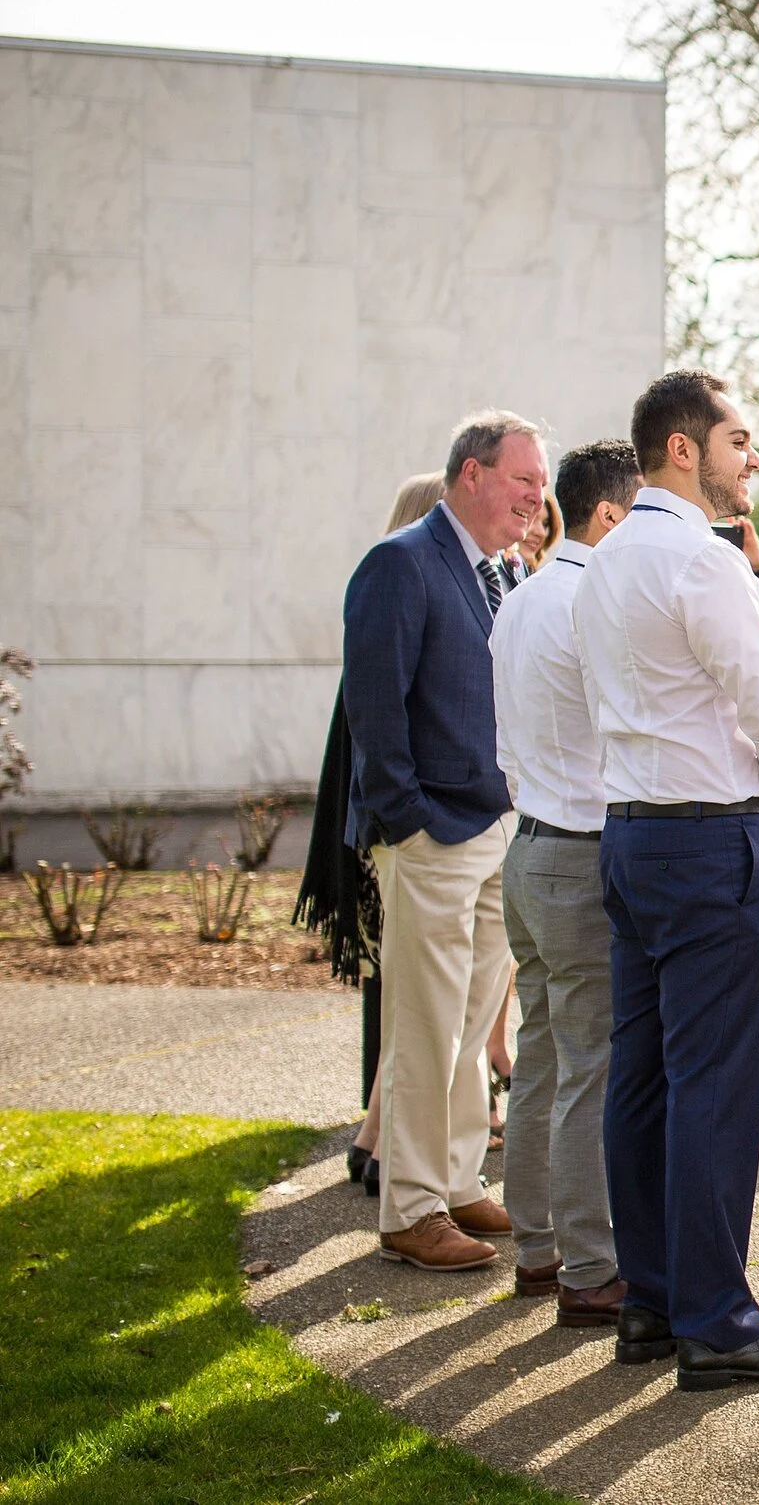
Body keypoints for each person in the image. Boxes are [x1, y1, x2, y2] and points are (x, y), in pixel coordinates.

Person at [576, 369, 759, 1391]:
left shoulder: (602, 562)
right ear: (683, 449)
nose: (751, 459)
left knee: (642, 1078)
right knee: (715, 1087)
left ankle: (651, 1301)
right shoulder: (703, 559)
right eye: (738, 441)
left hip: (630, 838)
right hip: (707, 841)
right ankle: (718, 1321)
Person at [342, 414, 548, 1272]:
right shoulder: (400, 564)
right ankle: (411, 1208)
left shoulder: (505, 570)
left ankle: (459, 1180)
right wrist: (410, 819)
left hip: (498, 826)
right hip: (431, 836)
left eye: (541, 485)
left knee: (468, 1024)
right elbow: (374, 710)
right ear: (471, 474)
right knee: (424, 1027)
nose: (537, 499)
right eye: (523, 481)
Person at [490, 438, 641, 1325]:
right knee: (589, 1063)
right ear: (611, 515)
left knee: (543, 1054)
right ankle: (588, 1267)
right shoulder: (593, 599)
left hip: (528, 845)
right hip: (580, 850)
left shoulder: (520, 597)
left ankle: (537, 1249)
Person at [303, 470, 443, 1197]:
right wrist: (412, 820)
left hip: (396, 828)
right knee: (409, 996)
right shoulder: (397, 584)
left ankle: (375, 1137)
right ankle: (385, 1144)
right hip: (400, 832)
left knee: (406, 995)